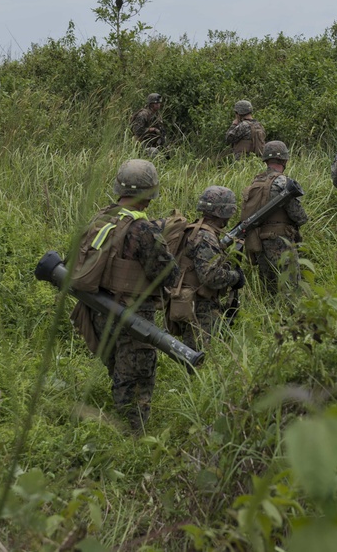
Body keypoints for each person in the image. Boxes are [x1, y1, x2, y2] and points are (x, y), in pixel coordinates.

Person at [78, 159, 178, 433]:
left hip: (100, 308)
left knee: (118, 370)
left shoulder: (102, 217)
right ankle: (133, 438)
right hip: (133, 317)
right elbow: (167, 274)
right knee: (135, 380)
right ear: (149, 194)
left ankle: (119, 425)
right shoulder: (143, 230)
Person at [167, 186, 245, 351]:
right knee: (200, 354)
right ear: (224, 212)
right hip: (199, 306)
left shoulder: (196, 229)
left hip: (191, 301)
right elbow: (210, 277)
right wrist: (235, 277)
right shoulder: (206, 236)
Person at [241, 141, 308, 290]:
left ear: (266, 160)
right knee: (291, 289)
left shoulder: (256, 182)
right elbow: (299, 217)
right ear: (284, 160)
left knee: (268, 290)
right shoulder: (284, 183)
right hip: (281, 242)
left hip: (259, 242)